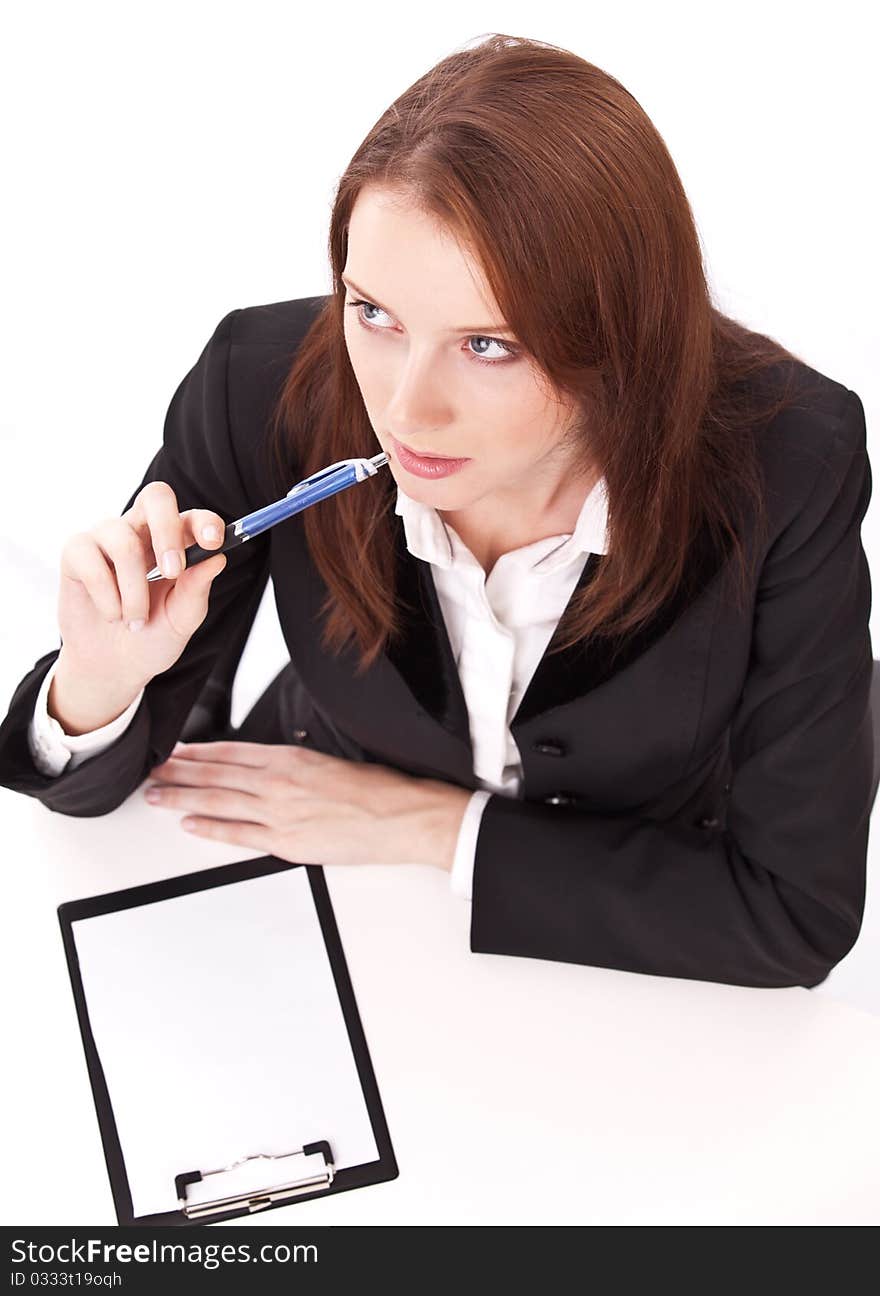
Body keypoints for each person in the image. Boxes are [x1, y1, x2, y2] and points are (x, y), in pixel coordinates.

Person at [0, 34, 873, 990]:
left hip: (626, 907)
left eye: (488, 344)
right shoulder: (260, 384)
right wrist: (99, 677)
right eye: (374, 313)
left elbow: (795, 913)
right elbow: (101, 790)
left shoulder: (791, 456)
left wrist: (425, 826)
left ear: (622, 337)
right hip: (320, 857)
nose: (405, 407)